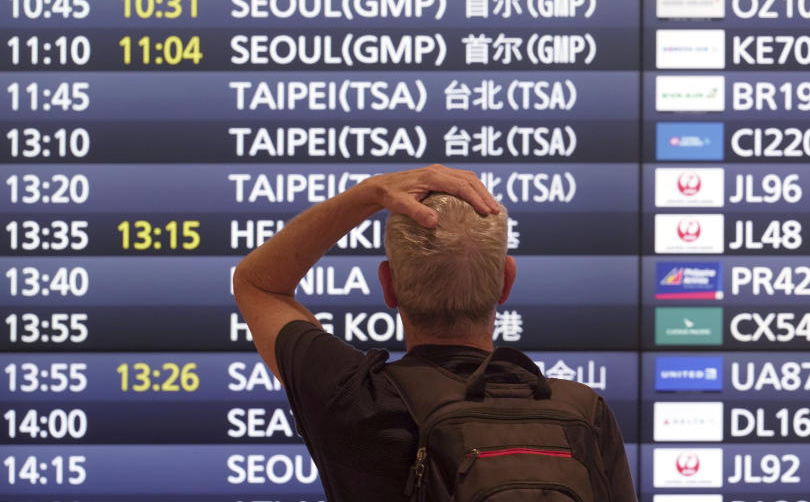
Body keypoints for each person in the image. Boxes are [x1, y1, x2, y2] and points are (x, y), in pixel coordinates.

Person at [233, 164, 637, 500]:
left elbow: (257, 284)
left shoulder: (357, 401)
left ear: (387, 285)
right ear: (505, 282)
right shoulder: (584, 414)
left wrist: (369, 194)